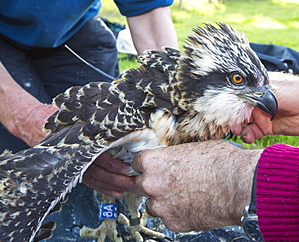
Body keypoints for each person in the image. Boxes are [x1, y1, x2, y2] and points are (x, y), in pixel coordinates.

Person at [84, 66, 299, 242]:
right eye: (237, 80)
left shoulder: (212, 120)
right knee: (115, 180)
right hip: (117, 173)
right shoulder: (142, 116)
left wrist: (241, 182)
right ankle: (110, 220)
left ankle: (134, 225)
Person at [0, 0, 177, 153]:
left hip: (72, 27)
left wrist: (174, 98)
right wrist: (24, 115)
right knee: (23, 157)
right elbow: (24, 119)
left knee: (101, 137)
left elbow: (147, 9)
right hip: (4, 31)